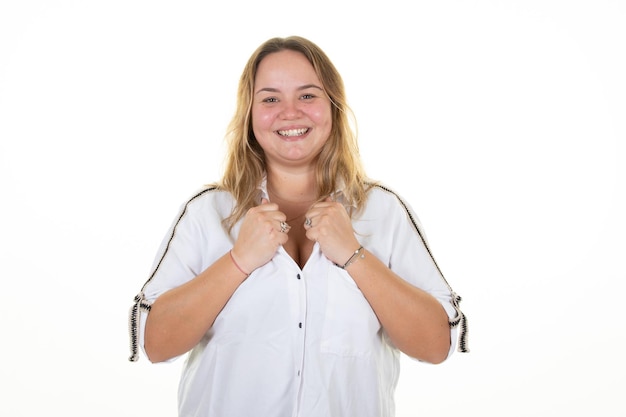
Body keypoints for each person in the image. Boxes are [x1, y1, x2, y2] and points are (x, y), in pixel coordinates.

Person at [128, 35, 468, 417]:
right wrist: (239, 261)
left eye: (307, 95)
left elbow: (436, 345)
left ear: (334, 107)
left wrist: (354, 256)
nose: (290, 113)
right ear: (249, 115)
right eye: (270, 99)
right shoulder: (206, 213)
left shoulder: (384, 212)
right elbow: (155, 345)